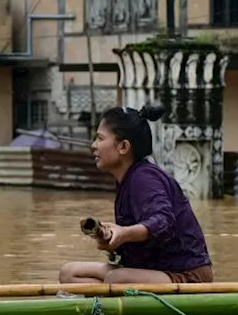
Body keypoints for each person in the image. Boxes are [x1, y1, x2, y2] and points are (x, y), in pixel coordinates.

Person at [58, 104, 214, 284]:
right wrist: (111, 238)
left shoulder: (144, 178)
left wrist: (124, 233)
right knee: (69, 273)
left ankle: (111, 306)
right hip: (151, 271)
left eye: (100, 139)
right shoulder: (126, 180)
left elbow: (163, 221)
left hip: (186, 275)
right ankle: (102, 310)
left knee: (117, 278)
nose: (94, 145)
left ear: (123, 147)